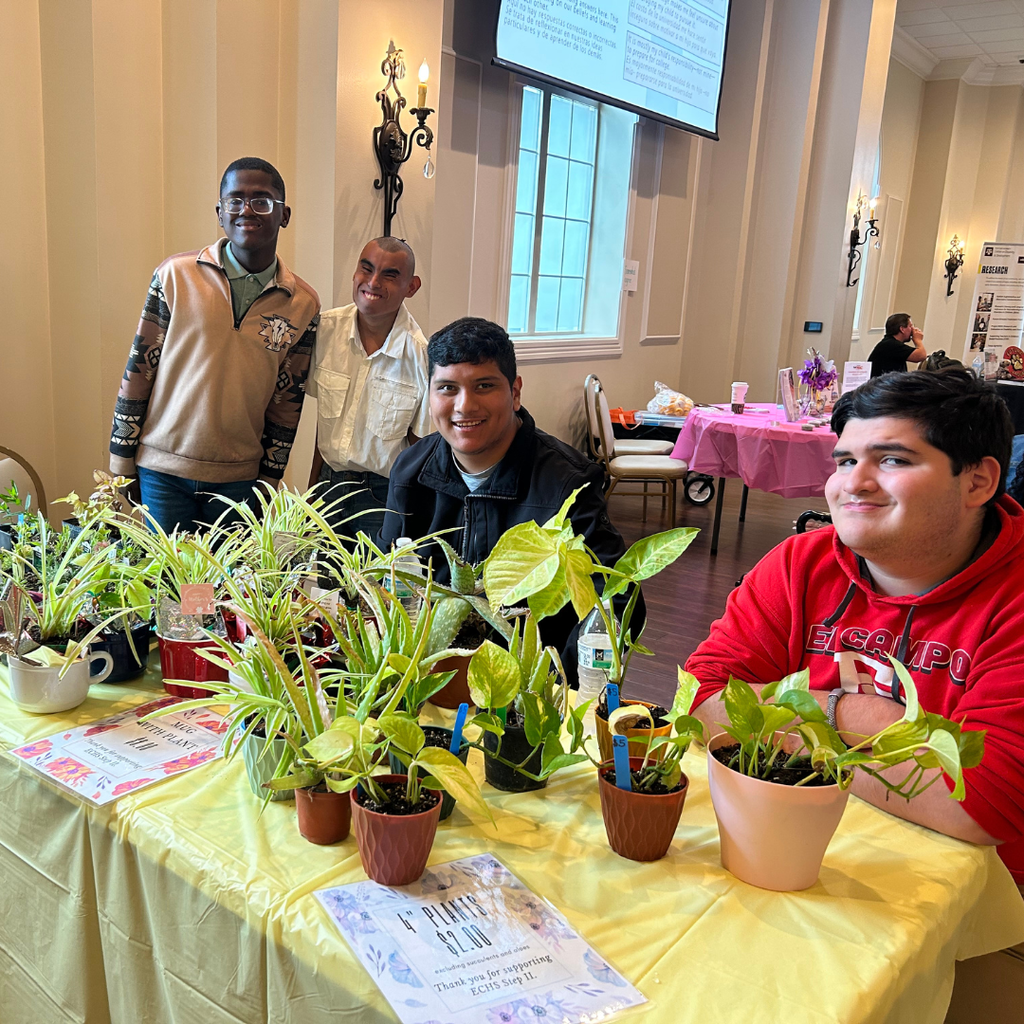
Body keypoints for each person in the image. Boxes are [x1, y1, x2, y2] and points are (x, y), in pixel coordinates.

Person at [685, 369, 1023, 1019]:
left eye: (892, 459)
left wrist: (821, 705)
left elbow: (984, 803)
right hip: (787, 859)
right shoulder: (799, 563)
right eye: (844, 459)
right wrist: (868, 721)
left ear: (978, 480)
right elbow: (702, 694)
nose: (852, 483)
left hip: (965, 913)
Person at [379, 316, 632, 677]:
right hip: (431, 678)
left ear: (515, 392)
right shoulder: (411, 471)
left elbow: (616, 600)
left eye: (483, 386)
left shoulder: (566, 484)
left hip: (532, 687)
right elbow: (390, 578)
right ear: (429, 393)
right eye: (448, 388)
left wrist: (560, 685)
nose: (464, 406)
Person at [109, 157, 319, 533]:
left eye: (262, 201)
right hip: (161, 471)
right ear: (220, 213)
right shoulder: (174, 275)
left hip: (240, 479)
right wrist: (121, 463)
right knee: (165, 588)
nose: (247, 211)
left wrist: (270, 479)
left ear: (284, 215)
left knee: (225, 589)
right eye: (235, 201)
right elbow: (140, 370)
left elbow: (288, 403)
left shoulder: (303, 303)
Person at [306, 237, 431, 542]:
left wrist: (410, 518)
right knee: (325, 587)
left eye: (390, 275)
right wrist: (310, 495)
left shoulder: (420, 355)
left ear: (411, 287)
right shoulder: (326, 332)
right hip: (328, 489)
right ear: (355, 273)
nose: (373, 282)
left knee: (375, 588)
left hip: (382, 498)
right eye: (367, 268)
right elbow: (325, 426)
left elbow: (419, 448)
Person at [868, 312, 926, 377]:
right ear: (902, 329)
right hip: (883, 386)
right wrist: (918, 340)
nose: (913, 329)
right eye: (910, 326)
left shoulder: (890, 343)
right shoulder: (890, 345)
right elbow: (921, 356)